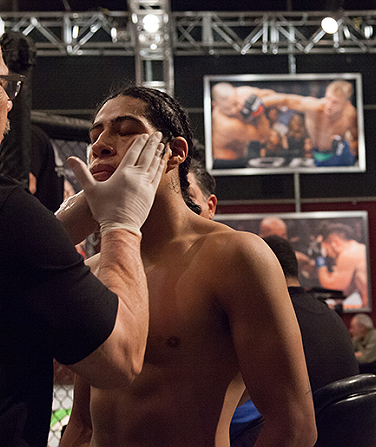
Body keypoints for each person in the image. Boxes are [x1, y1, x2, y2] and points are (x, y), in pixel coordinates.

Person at [0, 0, 164, 446]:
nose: (8, 103)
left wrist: (70, 218)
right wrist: (121, 223)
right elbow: (120, 358)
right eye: (3, 86)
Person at [60, 85, 317, 447]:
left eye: (126, 129)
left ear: (175, 152)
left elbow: (294, 426)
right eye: (96, 133)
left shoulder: (235, 256)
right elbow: (82, 424)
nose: (101, 143)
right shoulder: (100, 269)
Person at [230, 235, 360, 447]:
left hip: (306, 436)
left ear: (261, 268)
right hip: (342, 434)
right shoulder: (329, 315)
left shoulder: (273, 318)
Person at [265, 80, 359, 166]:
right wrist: (259, 103)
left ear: (346, 104)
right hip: (314, 155)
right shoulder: (314, 107)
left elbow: (359, 142)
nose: (329, 105)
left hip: (341, 156)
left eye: (335, 102)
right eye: (328, 98)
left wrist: (346, 145)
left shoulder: (351, 114)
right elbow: (285, 99)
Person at [210, 82, 278, 165]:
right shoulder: (226, 124)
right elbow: (263, 136)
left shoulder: (241, 94)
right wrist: (258, 111)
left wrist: (253, 97)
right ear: (214, 105)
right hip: (227, 163)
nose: (234, 110)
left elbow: (272, 94)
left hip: (242, 157)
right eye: (228, 109)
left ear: (235, 94)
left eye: (235, 104)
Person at [313, 222, 369, 309]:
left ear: (335, 242)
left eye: (325, 249)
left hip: (367, 305)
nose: (327, 254)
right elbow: (347, 291)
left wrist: (320, 259)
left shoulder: (349, 254)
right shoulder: (357, 248)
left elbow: (331, 285)